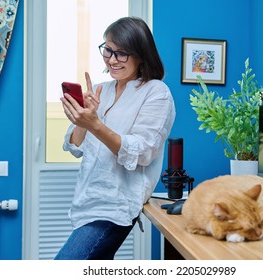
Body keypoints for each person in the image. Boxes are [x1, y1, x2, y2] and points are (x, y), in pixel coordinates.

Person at [55, 17, 175, 260]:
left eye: (121, 53)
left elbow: (143, 152)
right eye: (108, 50)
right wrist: (81, 122)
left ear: (141, 54)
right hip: (86, 201)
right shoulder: (102, 90)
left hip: (116, 206)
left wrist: (95, 124)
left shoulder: (156, 93)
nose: (111, 59)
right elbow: (76, 147)